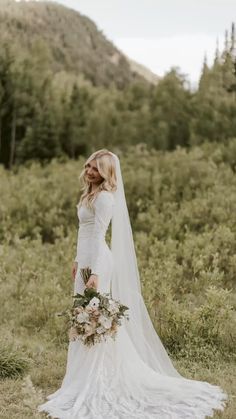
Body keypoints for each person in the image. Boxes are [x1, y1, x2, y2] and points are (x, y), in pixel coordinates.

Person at [38, 149, 228, 418]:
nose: (90, 171)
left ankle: (98, 374)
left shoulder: (104, 198)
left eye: (97, 169)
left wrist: (96, 273)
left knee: (93, 318)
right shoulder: (88, 194)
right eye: (89, 166)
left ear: (106, 173)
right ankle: (81, 373)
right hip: (85, 262)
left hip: (98, 264)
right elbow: (84, 233)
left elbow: (99, 238)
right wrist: (76, 261)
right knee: (82, 317)